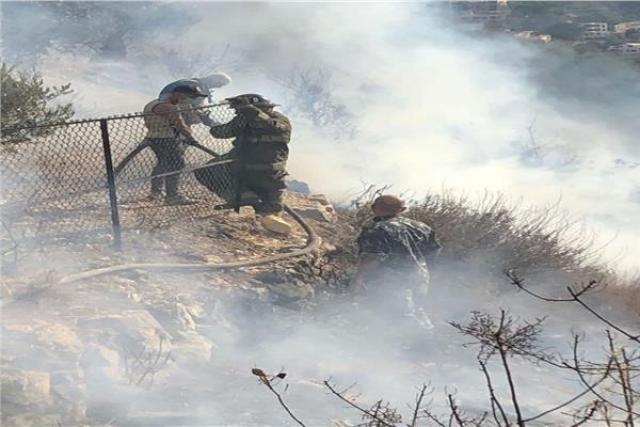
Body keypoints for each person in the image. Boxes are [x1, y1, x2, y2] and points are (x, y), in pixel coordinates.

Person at [208, 94, 292, 235]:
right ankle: (248, 199)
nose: (236, 112)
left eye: (238, 109)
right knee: (208, 170)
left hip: (265, 172)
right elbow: (220, 132)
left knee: (271, 213)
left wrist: (250, 111)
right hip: (256, 171)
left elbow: (271, 126)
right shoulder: (243, 120)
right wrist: (209, 122)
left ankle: (249, 201)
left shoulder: (277, 120)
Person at [353, 194, 441, 327]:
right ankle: (427, 338)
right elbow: (433, 250)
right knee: (417, 310)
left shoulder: (377, 229)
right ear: (402, 209)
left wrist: (358, 278)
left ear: (374, 208)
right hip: (419, 276)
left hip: (391, 279)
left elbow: (373, 257)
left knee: (396, 316)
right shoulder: (421, 227)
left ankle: (406, 343)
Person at [142, 85, 208, 205]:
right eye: (190, 97)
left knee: (162, 164)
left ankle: (156, 192)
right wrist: (191, 138)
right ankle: (172, 196)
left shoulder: (153, 103)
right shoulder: (170, 108)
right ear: (179, 94)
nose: (191, 100)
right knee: (176, 164)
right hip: (167, 140)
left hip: (154, 138)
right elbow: (180, 125)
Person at [159, 73, 232, 127]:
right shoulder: (194, 84)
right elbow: (189, 104)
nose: (220, 86)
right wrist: (207, 120)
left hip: (173, 108)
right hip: (171, 107)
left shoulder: (199, 85)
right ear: (215, 80)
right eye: (221, 83)